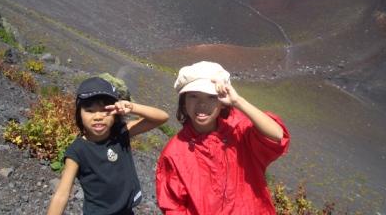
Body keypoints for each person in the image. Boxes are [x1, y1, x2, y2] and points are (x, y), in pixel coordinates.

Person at [156, 61, 290, 214]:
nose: (201, 104)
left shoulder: (239, 131)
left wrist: (238, 101)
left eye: (211, 97)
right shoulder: (174, 152)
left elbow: (277, 135)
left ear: (222, 102)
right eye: (193, 96)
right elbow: (173, 207)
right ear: (184, 102)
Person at [47, 76, 169, 215]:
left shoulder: (121, 133)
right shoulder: (77, 150)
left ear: (115, 113)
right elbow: (62, 195)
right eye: (90, 110)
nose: (98, 116)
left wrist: (132, 107)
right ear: (79, 114)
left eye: (105, 110)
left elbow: (162, 117)